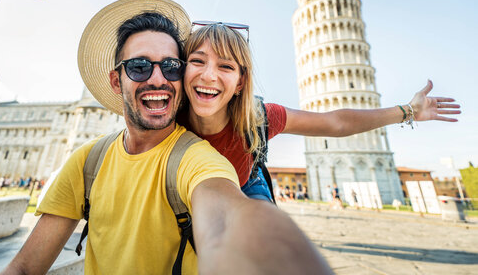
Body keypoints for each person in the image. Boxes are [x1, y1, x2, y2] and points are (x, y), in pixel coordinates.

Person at [0, 0, 332, 275]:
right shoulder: (88, 161)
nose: (158, 78)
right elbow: (25, 268)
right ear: (117, 81)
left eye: (171, 66)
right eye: (140, 67)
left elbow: (226, 218)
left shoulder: (198, 159)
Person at [180, 22, 461, 202]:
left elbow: (335, 122)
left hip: (244, 186)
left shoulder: (260, 118)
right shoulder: (169, 121)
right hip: (188, 192)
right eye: (197, 61)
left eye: (226, 66)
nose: (209, 75)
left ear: (241, 82)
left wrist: (408, 110)